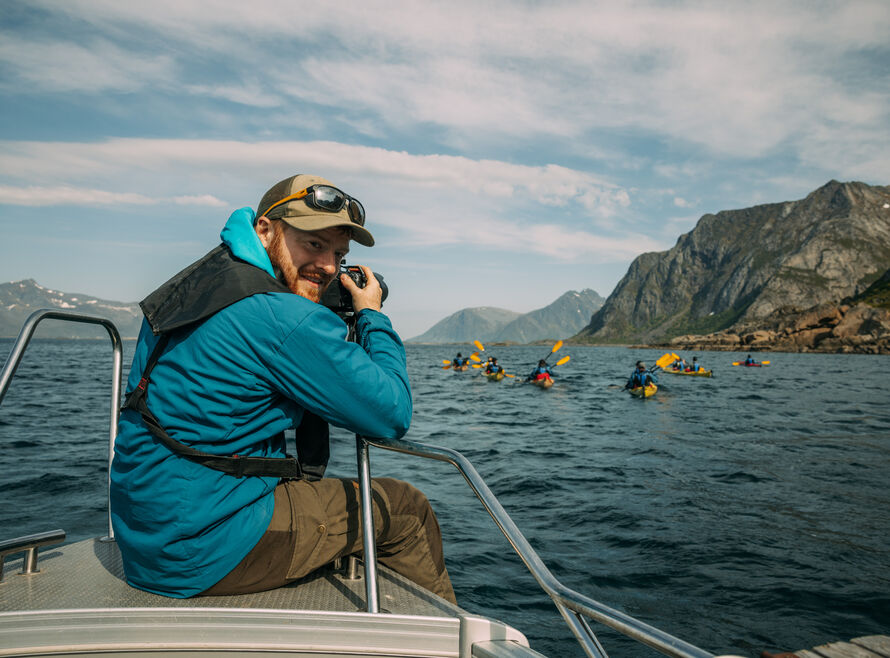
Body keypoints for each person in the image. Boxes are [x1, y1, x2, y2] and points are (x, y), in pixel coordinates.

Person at [110, 174, 455, 604]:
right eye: (313, 243)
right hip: (205, 546)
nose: (329, 267)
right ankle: (441, 643)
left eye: (339, 254)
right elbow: (392, 412)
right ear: (266, 230)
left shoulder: (199, 284)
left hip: (142, 529)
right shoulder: (280, 318)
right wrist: (370, 315)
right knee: (406, 509)